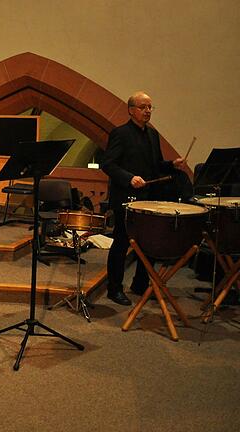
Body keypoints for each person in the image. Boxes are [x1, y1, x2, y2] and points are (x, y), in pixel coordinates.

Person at [101, 91, 185, 306]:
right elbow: (108, 164)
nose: (148, 111)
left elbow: (155, 165)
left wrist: (171, 165)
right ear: (131, 110)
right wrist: (129, 178)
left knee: (147, 244)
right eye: (143, 107)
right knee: (121, 243)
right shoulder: (120, 133)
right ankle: (114, 288)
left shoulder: (152, 135)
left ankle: (139, 284)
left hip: (148, 197)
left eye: (150, 107)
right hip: (126, 197)